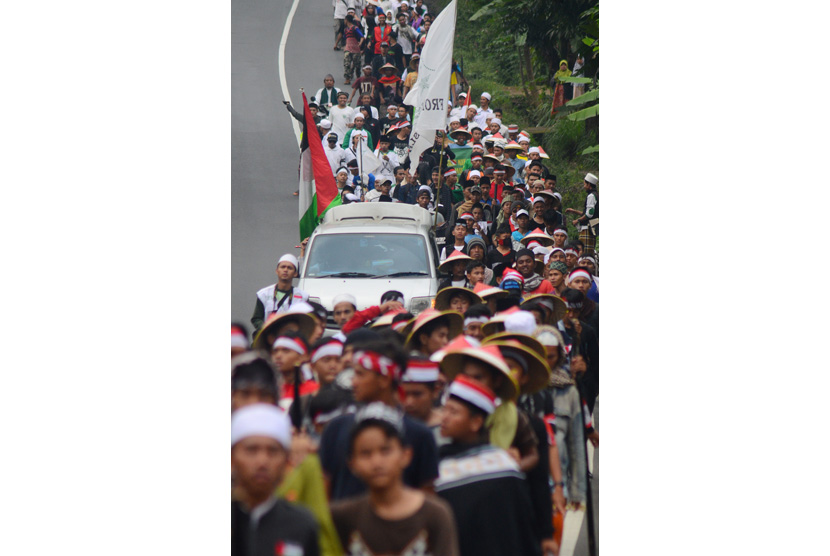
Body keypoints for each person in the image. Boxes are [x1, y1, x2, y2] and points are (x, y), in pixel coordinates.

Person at [319, 336, 440, 501]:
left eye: (360, 374)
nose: (353, 382)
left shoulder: (419, 435)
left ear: (384, 379)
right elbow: (324, 494)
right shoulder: (336, 428)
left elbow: (426, 499)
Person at [330, 403, 460, 556]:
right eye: (366, 453)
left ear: (406, 455)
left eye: (385, 451)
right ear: (352, 464)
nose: (376, 462)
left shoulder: (435, 515)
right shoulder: (342, 517)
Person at [435, 375, 542, 556]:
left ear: (476, 422)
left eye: (453, 412)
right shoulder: (438, 464)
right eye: (444, 410)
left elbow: (521, 524)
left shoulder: (504, 467)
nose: (444, 418)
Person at [231, 404, 320, 556]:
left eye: (272, 451)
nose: (262, 461)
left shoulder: (301, 523)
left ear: (286, 461)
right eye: (252, 450)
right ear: (232, 458)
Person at [251, 254, 309, 332]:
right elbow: (256, 318)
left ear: (295, 273)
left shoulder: (303, 297)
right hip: (269, 337)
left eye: (290, 268)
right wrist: (266, 329)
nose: (285, 270)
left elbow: (306, 321)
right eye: (283, 267)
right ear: (277, 271)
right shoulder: (264, 294)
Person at [400, 356, 444, 431]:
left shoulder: (447, 430)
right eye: (404, 394)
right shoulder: (391, 428)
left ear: (435, 392)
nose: (409, 402)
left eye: (417, 394)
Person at [565, 172, 599, 256]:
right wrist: (574, 211)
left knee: (585, 253)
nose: (584, 186)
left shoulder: (591, 196)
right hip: (593, 225)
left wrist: (577, 220)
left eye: (585, 184)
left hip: (587, 228)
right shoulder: (596, 195)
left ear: (589, 184)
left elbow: (589, 214)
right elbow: (589, 213)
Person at [342, 15, 365, 85]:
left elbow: (362, 37)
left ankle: (358, 77)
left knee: (357, 64)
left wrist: (360, 44)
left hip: (355, 48)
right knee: (347, 63)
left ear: (346, 20)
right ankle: (347, 78)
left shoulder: (355, 28)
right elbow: (345, 38)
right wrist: (345, 46)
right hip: (348, 48)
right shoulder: (345, 30)